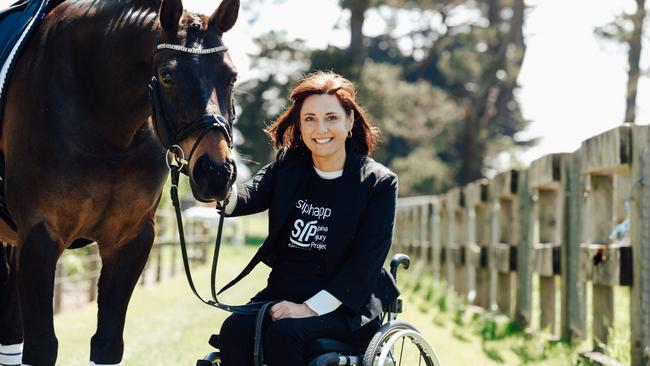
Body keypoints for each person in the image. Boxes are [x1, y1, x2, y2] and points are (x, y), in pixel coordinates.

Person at [218, 71, 399, 366]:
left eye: (331, 118)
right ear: (300, 125)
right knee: (235, 329)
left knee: (285, 334)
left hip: (346, 304)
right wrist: (214, 185)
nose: (320, 128)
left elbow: (365, 262)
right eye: (310, 119)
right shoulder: (289, 165)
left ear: (349, 121)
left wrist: (310, 309)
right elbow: (248, 196)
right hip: (285, 291)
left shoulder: (377, 183)